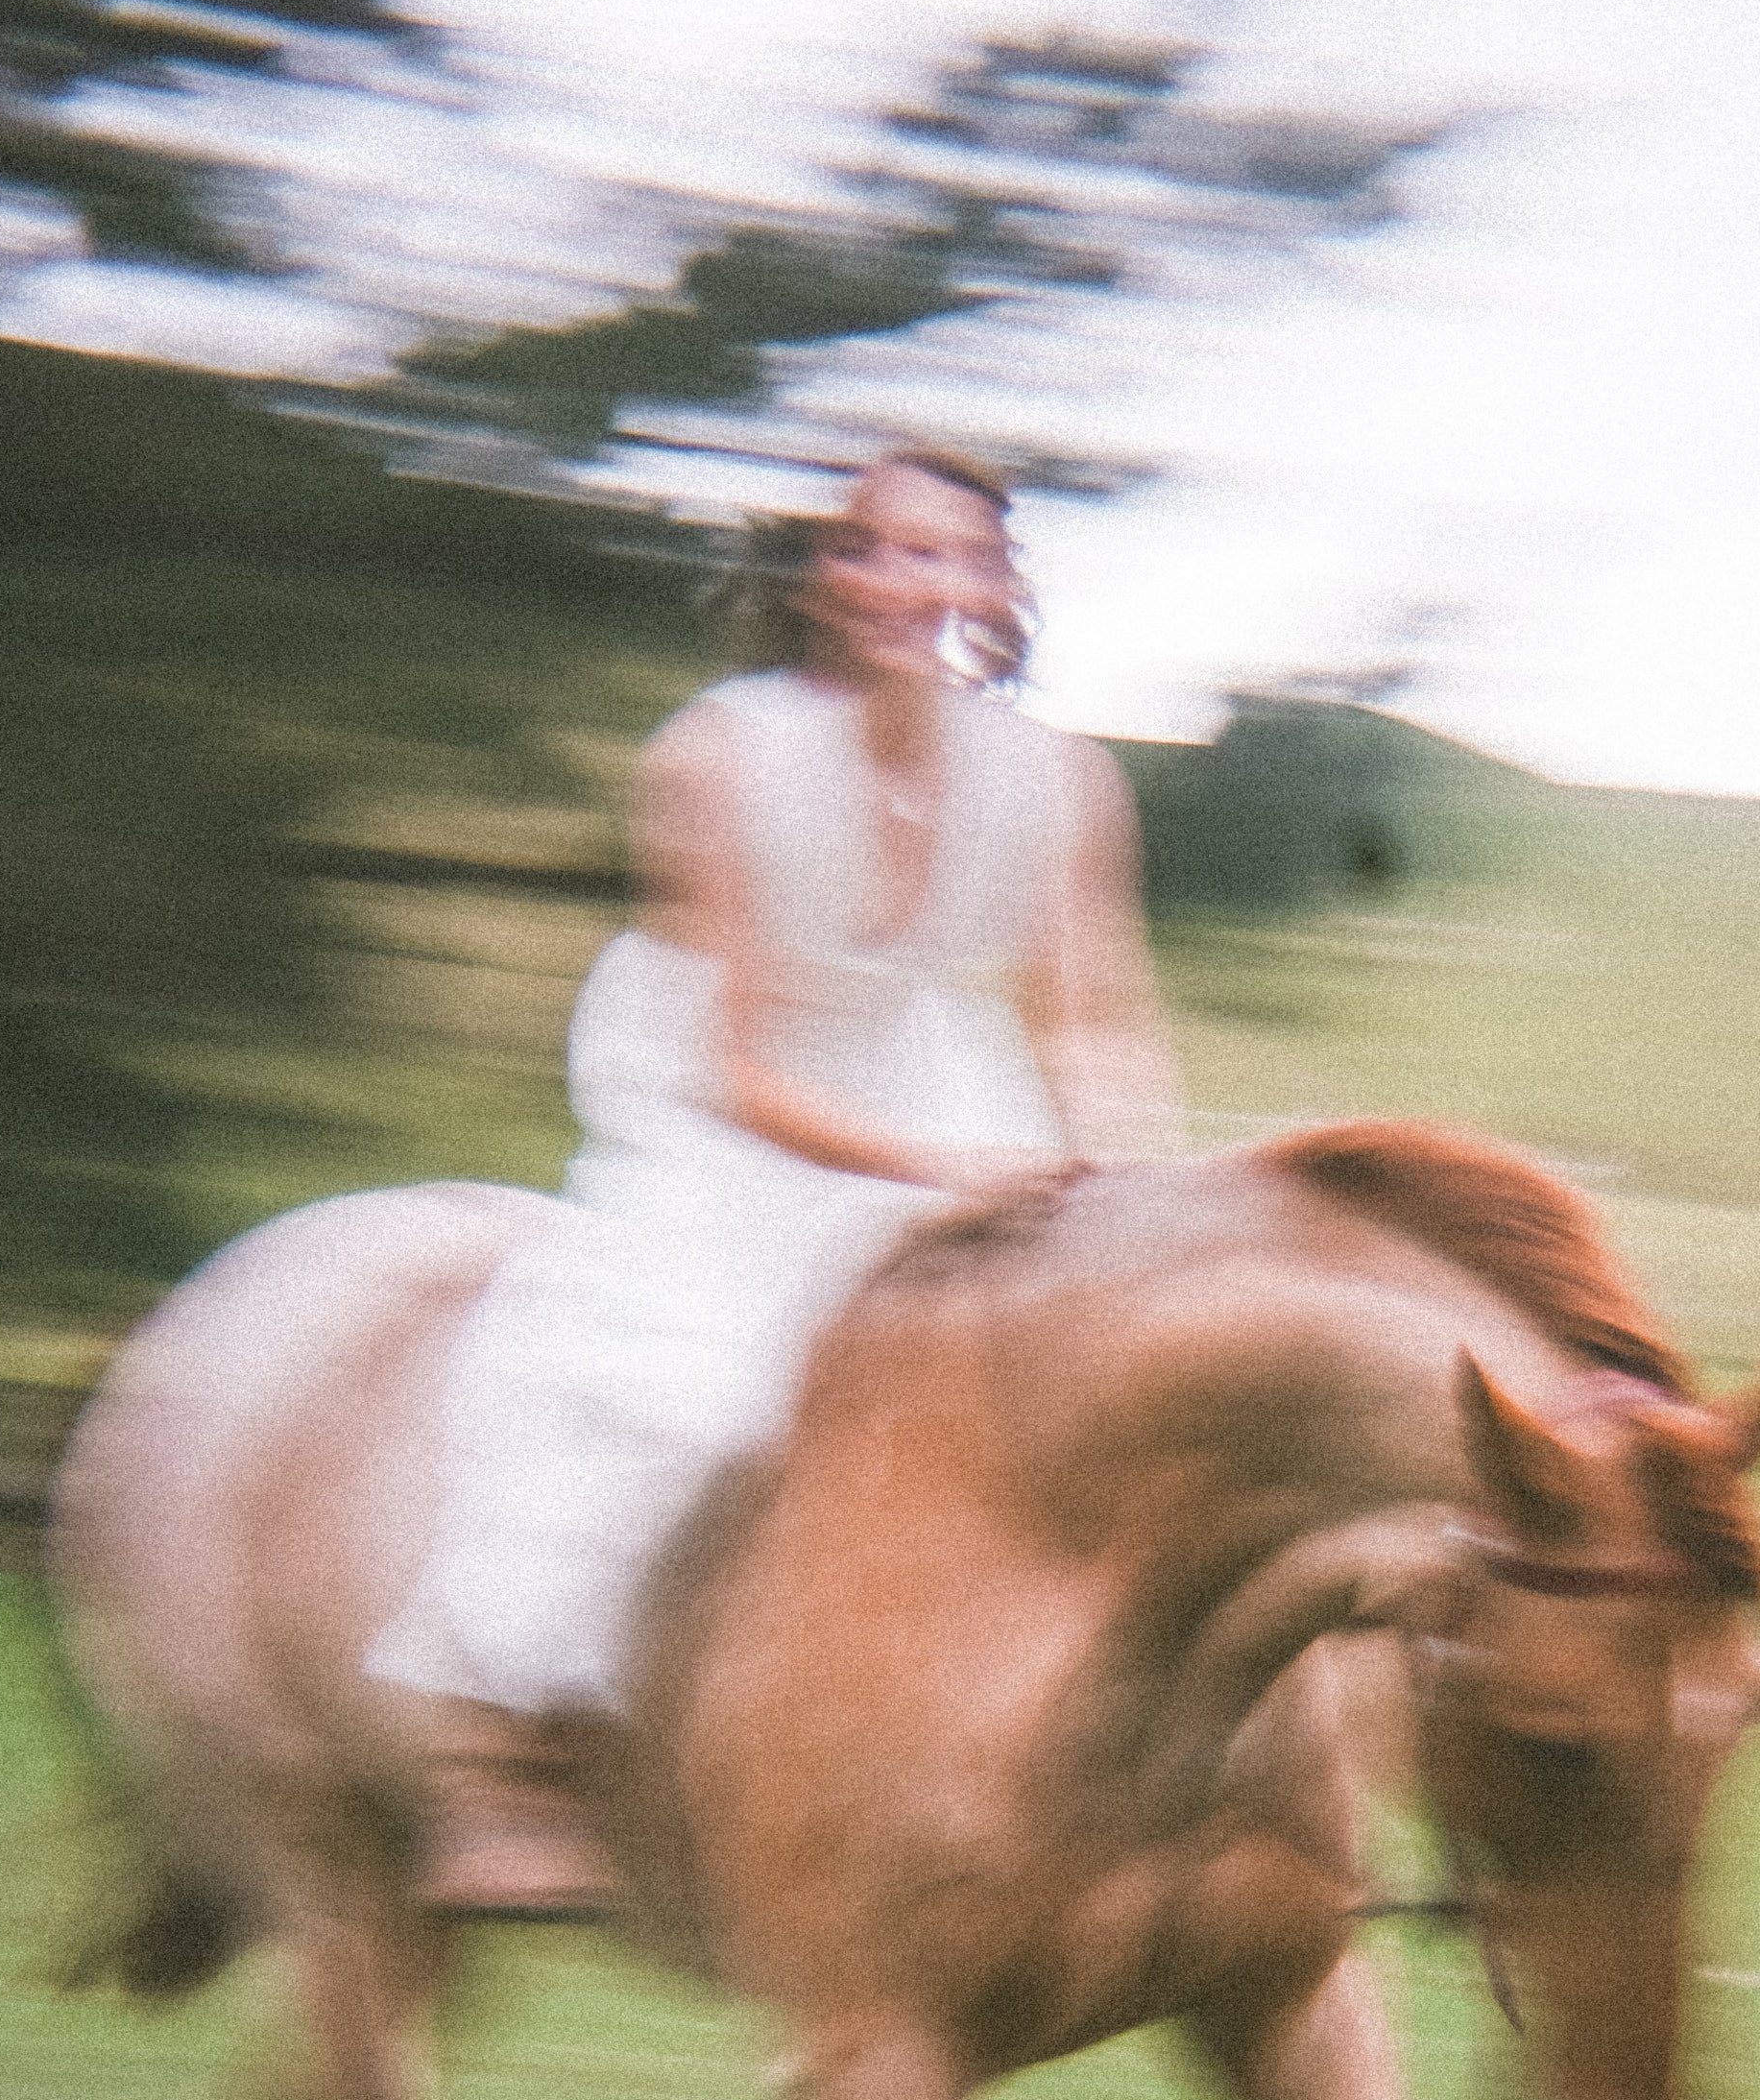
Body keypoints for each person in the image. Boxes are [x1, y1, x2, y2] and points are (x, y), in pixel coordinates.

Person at [369, 447, 1185, 1911]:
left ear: (995, 583)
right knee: (673, 1384)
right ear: (816, 575)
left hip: (951, 1081)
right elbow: (737, 1066)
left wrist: (1124, 1180)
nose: (902, 586)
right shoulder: (716, 759)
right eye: (867, 551)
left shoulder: (1064, 782)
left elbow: (1090, 1016)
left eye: (945, 556)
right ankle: (504, 1758)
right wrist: (935, 1174)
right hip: (735, 1113)